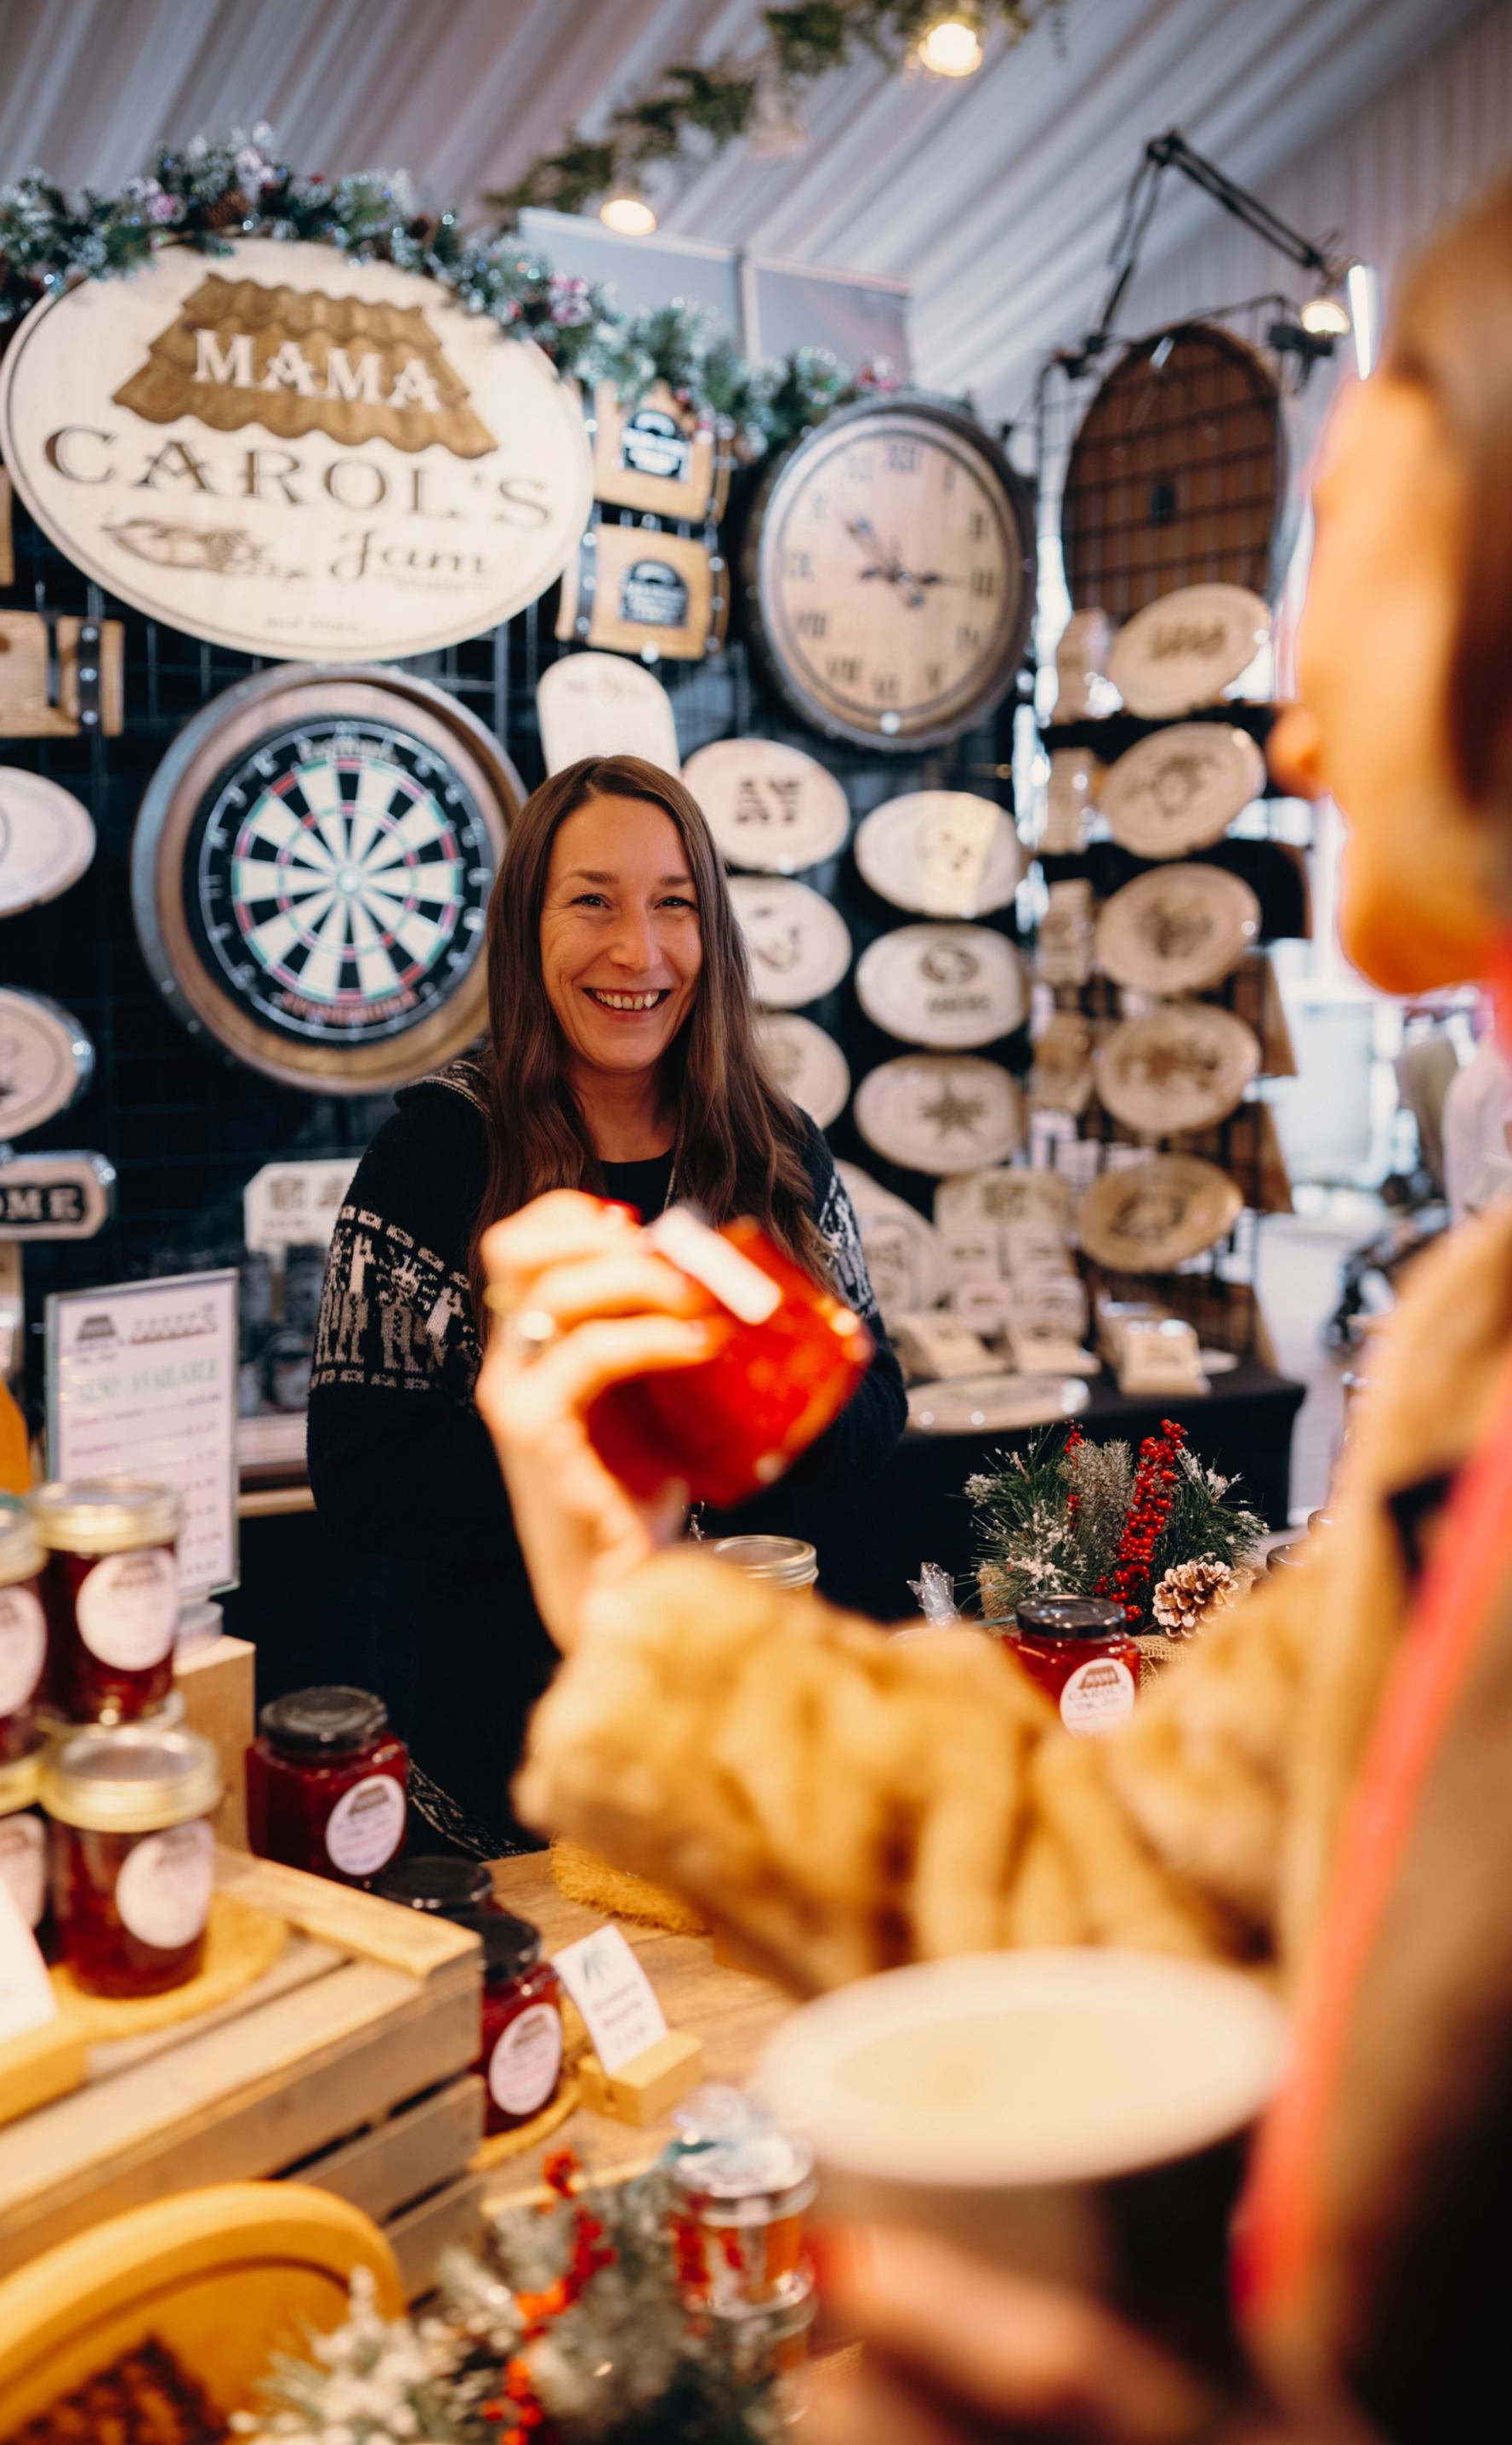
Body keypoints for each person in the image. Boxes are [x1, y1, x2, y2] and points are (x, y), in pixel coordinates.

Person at [473, 171, 1512, 2442]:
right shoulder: (1472, 1363)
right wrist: (612, 1581)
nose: (1295, 729)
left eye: (1356, 539)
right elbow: (1136, 1899)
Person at [308, 753, 904, 1855]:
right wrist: (590, 1436)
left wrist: (741, 1392)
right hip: (516, 1784)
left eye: (672, 905)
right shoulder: (434, 1154)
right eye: (591, 903)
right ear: (526, 930)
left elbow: (873, 1414)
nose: (637, 951)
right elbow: (360, 1478)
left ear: (710, 935)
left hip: (749, 1751)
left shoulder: (775, 1152)